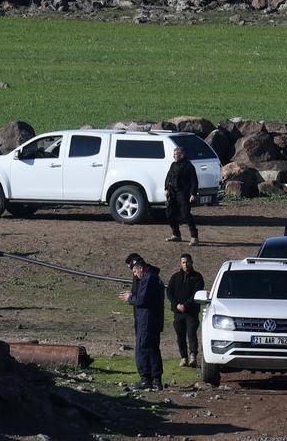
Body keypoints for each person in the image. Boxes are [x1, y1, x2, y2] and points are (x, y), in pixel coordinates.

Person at [119, 255, 164, 391]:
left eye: (134, 271)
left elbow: (142, 299)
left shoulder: (148, 278)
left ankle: (146, 379)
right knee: (152, 349)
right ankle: (155, 380)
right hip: (150, 320)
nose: (134, 275)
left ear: (140, 269)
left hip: (147, 320)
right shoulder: (152, 278)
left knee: (142, 348)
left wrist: (130, 298)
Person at [166, 253, 205, 368]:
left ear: (191, 262)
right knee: (180, 336)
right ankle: (184, 357)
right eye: (183, 262)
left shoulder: (197, 277)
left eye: (187, 262)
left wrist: (186, 305)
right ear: (180, 263)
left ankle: (193, 356)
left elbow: (197, 293)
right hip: (178, 312)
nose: (185, 264)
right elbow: (169, 292)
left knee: (192, 334)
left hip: (191, 312)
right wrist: (177, 305)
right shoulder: (175, 277)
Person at [164, 147, 200, 245]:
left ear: (182, 155)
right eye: (174, 154)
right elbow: (168, 177)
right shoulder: (173, 165)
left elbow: (194, 181)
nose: (174, 156)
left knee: (185, 214)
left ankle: (194, 236)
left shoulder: (189, 166)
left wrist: (193, 194)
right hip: (172, 193)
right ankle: (176, 234)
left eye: (176, 154)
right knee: (170, 213)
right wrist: (166, 188)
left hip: (183, 193)